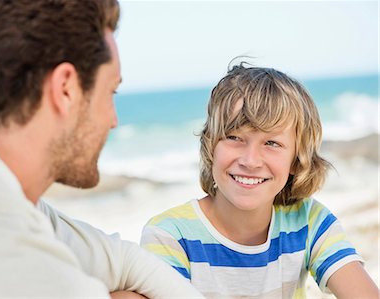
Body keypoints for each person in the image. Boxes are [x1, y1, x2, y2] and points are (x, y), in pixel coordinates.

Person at [0, 1, 204, 298]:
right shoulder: (5, 259)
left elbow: (125, 260)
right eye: (110, 92)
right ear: (65, 88)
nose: (113, 120)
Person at [140, 63, 380, 298]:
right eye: (234, 137)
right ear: (211, 146)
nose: (250, 160)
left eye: (272, 143)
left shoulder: (309, 222)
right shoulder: (169, 236)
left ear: (296, 160)